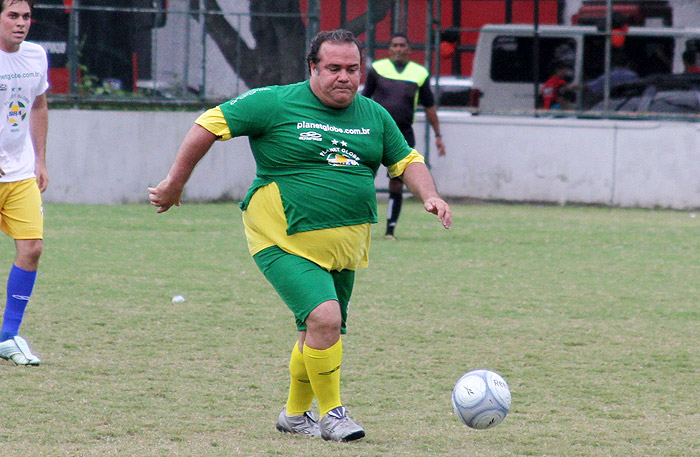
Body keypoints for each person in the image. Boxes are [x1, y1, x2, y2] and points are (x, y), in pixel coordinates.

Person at [148, 29, 452, 442]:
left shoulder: (373, 115)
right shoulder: (274, 102)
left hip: (344, 247)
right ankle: (333, 414)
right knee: (326, 317)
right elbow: (208, 125)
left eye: (352, 69)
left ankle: (294, 415)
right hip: (281, 240)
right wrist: (174, 183)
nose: (344, 77)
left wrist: (430, 195)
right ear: (312, 67)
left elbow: (406, 160)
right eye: (333, 68)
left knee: (318, 330)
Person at [0, 0, 48, 366]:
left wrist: (41, 159)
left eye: (26, 16)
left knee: (31, 249)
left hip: (20, 173)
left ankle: (7, 337)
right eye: (13, 16)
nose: (21, 23)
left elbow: (39, 105)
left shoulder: (35, 56)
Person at [361, 33, 446, 240]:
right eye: (394, 45)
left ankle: (390, 229)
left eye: (402, 46)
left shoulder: (419, 73)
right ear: (389, 49)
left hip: (402, 134)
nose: (398, 49)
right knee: (361, 177)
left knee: (397, 181)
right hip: (373, 132)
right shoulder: (377, 69)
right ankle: (359, 223)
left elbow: (429, 107)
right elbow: (363, 101)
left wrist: (438, 135)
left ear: (409, 50)